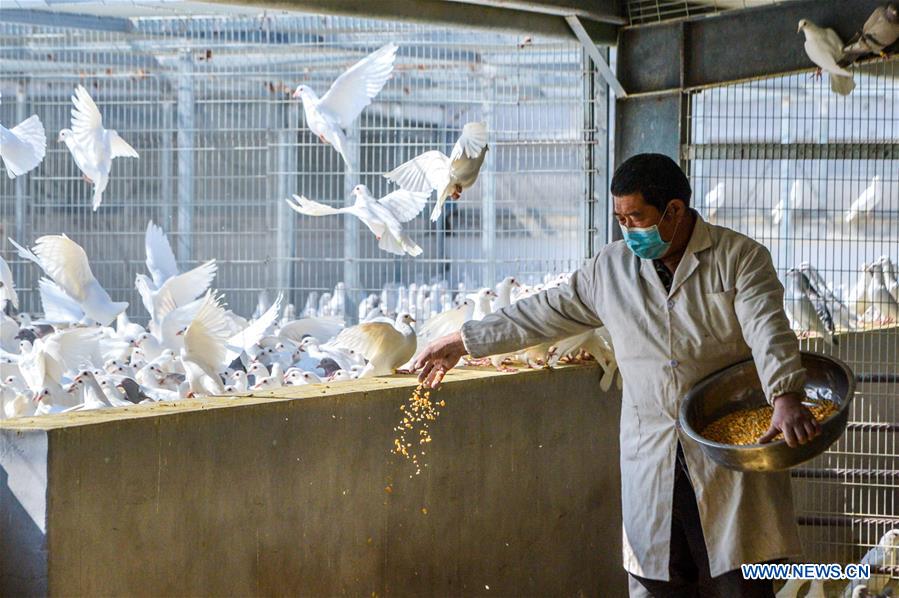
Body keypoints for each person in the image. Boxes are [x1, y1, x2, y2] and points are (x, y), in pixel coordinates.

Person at [412, 153, 822, 597]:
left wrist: (784, 395)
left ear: (675, 211)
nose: (628, 230)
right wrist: (464, 340)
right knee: (658, 580)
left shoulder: (738, 257)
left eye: (636, 217)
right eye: (620, 219)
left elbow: (767, 326)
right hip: (654, 455)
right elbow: (542, 312)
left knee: (739, 584)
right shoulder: (610, 269)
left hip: (728, 455)